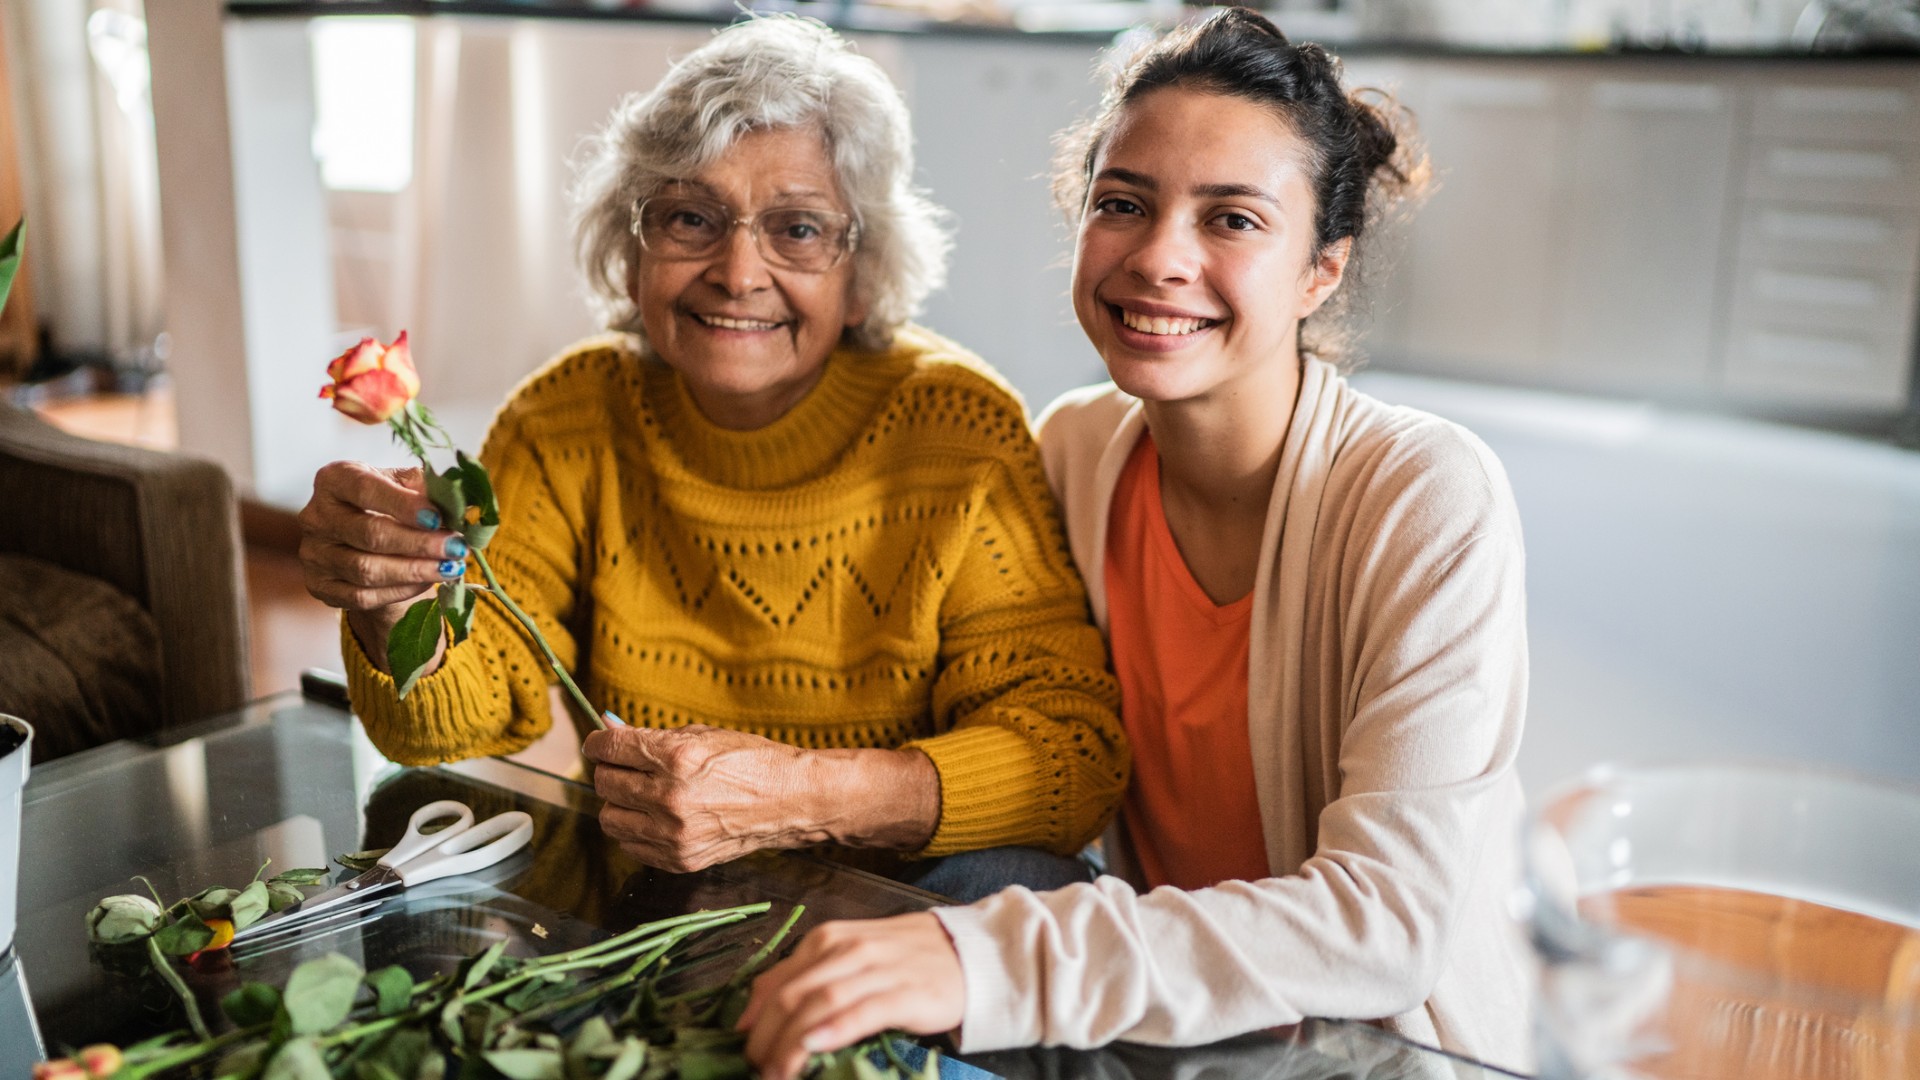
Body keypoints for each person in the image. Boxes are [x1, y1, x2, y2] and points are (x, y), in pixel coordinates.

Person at [739, 8, 1531, 1076]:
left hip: (1367, 1046)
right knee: (971, 877)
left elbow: (1380, 925)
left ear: (1321, 271)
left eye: (1233, 221)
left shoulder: (1423, 496)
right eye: (1124, 204)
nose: (1160, 258)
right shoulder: (1071, 449)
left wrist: (984, 966)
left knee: (969, 929)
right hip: (1165, 1013)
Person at [295, 16, 1128, 896]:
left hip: (898, 919)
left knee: (1026, 882)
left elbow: (1067, 760)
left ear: (862, 268)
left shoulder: (958, 432)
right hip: (658, 905)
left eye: (798, 230)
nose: (737, 272)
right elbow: (462, 721)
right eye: (691, 217)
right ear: (633, 247)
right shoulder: (566, 418)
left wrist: (799, 797)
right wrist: (395, 603)